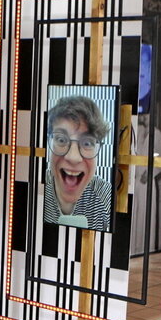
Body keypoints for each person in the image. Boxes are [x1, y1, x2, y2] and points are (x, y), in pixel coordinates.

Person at [43, 95, 112, 232]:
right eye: (61, 140)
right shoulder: (37, 187)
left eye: (87, 143)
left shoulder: (106, 197)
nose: (73, 157)